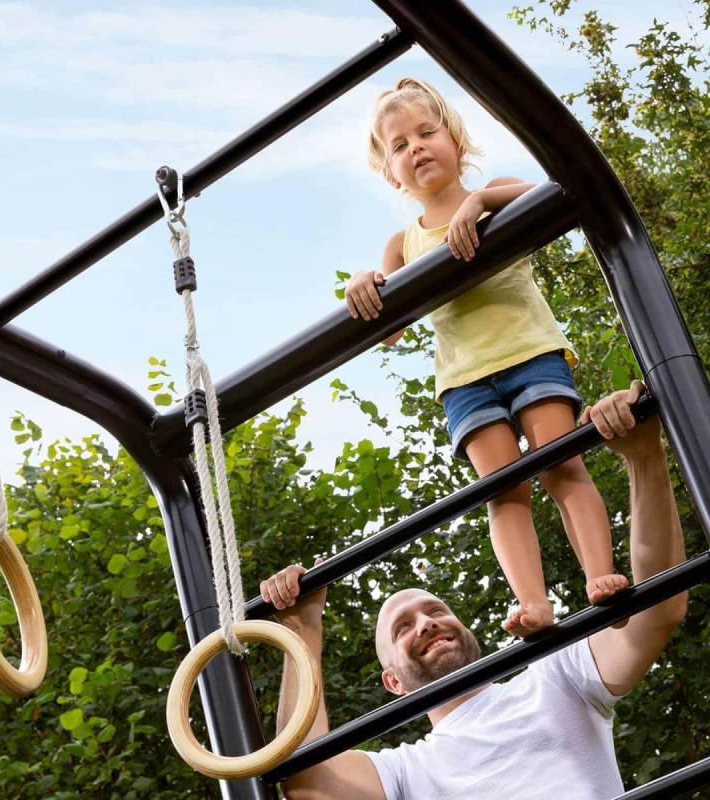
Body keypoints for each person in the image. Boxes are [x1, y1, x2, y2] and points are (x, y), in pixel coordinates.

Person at [260, 382, 687, 800]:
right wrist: (301, 629)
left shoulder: (555, 679)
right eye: (402, 628)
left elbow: (658, 612)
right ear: (392, 682)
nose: (427, 622)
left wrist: (644, 457)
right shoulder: (408, 772)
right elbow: (308, 783)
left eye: (436, 610)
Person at [344, 76, 627, 637]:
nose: (416, 147)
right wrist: (363, 281)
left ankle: (601, 574)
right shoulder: (403, 245)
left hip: (529, 353)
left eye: (427, 133)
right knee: (503, 492)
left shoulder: (498, 192)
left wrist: (479, 202)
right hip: (465, 381)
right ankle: (535, 603)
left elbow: (555, 193)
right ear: (389, 173)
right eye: (400, 145)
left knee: (561, 463)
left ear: (456, 139)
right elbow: (389, 333)